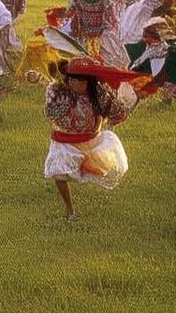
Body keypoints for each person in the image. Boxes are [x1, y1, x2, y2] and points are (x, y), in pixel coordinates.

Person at [43, 58, 138, 219]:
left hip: (92, 141)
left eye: (78, 80)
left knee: (100, 172)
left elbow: (118, 114)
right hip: (64, 141)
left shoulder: (99, 92)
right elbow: (50, 113)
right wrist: (63, 90)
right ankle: (71, 211)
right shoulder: (57, 90)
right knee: (58, 173)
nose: (74, 82)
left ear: (88, 81)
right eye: (71, 78)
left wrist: (133, 99)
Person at [65, 0, 125, 66]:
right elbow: (72, 12)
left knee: (103, 57)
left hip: (101, 33)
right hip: (84, 32)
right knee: (83, 57)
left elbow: (110, 16)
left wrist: (106, 30)